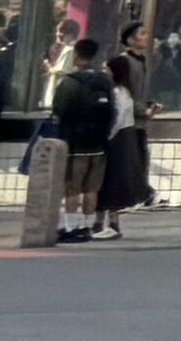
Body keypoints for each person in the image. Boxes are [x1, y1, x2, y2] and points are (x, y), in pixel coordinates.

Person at [43, 37, 124, 245]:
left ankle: (71, 227)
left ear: (76, 55)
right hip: (98, 144)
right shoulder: (104, 81)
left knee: (72, 188)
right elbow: (113, 110)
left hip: (75, 143)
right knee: (91, 189)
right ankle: (88, 227)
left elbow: (58, 111)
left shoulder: (69, 83)